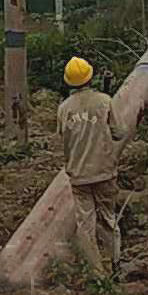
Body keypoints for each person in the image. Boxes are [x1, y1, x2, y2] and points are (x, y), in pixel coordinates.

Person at [57, 56, 124, 275]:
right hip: (104, 172)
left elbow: (63, 135)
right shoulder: (104, 101)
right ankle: (115, 264)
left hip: (78, 175)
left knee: (85, 224)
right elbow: (118, 133)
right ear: (90, 77)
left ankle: (96, 273)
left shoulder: (64, 108)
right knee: (108, 218)